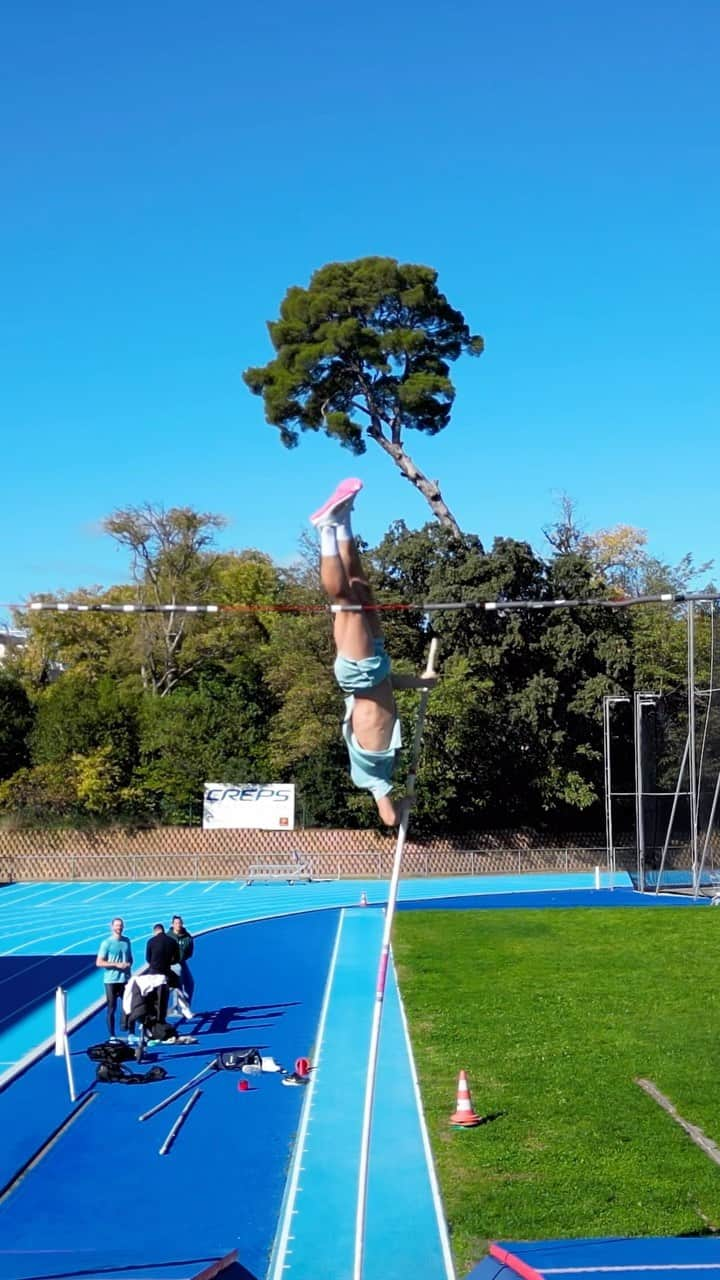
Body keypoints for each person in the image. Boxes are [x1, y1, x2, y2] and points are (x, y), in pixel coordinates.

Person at [311, 478, 437, 826]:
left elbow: (389, 819)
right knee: (362, 590)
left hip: (361, 672)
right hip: (377, 668)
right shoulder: (384, 769)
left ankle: (325, 530)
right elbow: (389, 687)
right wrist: (420, 683)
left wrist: (401, 805)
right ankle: (343, 521)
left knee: (345, 602)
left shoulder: (373, 779)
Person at [96, 917, 133, 1040]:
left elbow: (130, 958)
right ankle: (112, 1035)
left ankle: (131, 1032)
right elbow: (99, 962)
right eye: (117, 925)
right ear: (112, 927)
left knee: (130, 1005)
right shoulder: (106, 943)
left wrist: (128, 964)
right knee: (112, 1008)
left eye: (121, 925)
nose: (119, 928)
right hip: (111, 980)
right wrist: (116, 965)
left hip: (125, 979)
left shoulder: (126, 941)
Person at [145, 923, 180, 1025]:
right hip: (166, 972)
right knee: (164, 997)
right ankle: (162, 1019)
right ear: (163, 930)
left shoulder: (150, 941)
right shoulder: (172, 941)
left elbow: (148, 958)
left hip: (153, 972)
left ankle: (151, 1017)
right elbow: (177, 958)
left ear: (155, 931)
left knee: (152, 997)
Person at [167, 914, 195, 1019]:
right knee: (177, 986)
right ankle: (181, 1008)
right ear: (173, 924)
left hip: (182, 962)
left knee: (190, 984)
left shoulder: (187, 936)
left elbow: (190, 949)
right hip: (172, 964)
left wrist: (183, 957)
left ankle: (186, 1006)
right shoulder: (169, 937)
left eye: (180, 923)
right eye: (176, 923)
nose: (178, 925)